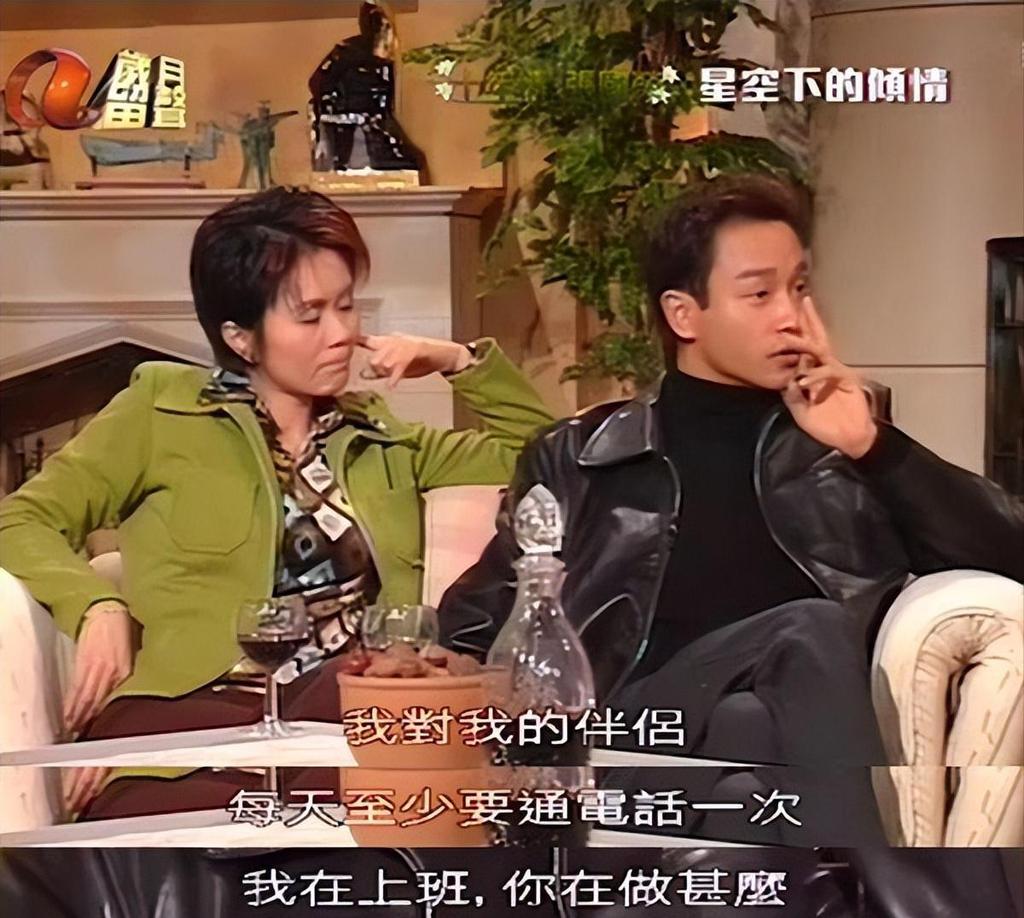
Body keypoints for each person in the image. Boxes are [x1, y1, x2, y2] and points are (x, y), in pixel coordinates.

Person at [437, 175, 1022, 910]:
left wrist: (872, 446)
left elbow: (1008, 553)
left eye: (800, 288)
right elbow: (473, 625)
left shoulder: (841, 445)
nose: (792, 317)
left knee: (751, 741)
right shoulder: (579, 457)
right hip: (632, 739)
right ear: (683, 313)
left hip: (767, 752)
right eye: (760, 294)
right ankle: (925, 899)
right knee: (806, 628)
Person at [0, 186, 553, 817]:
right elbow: (21, 518)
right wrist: (95, 605)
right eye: (310, 316)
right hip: (199, 711)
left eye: (346, 306)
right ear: (241, 337)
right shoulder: (161, 413)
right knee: (159, 844)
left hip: (351, 711)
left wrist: (457, 360)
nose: (342, 334)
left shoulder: (379, 437)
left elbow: (551, 457)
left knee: (411, 828)